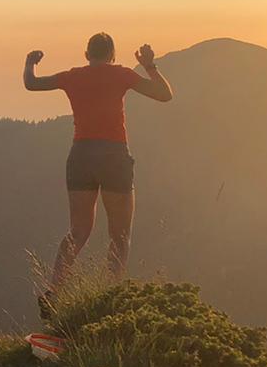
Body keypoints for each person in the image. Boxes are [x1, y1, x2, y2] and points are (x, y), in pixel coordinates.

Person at [24, 32, 173, 307]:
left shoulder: (73, 76)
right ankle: (110, 298)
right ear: (113, 55)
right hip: (114, 156)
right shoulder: (122, 74)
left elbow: (31, 84)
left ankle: (54, 289)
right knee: (120, 236)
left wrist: (30, 62)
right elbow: (165, 95)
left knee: (78, 231)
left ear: (86, 54)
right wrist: (150, 66)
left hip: (80, 156)